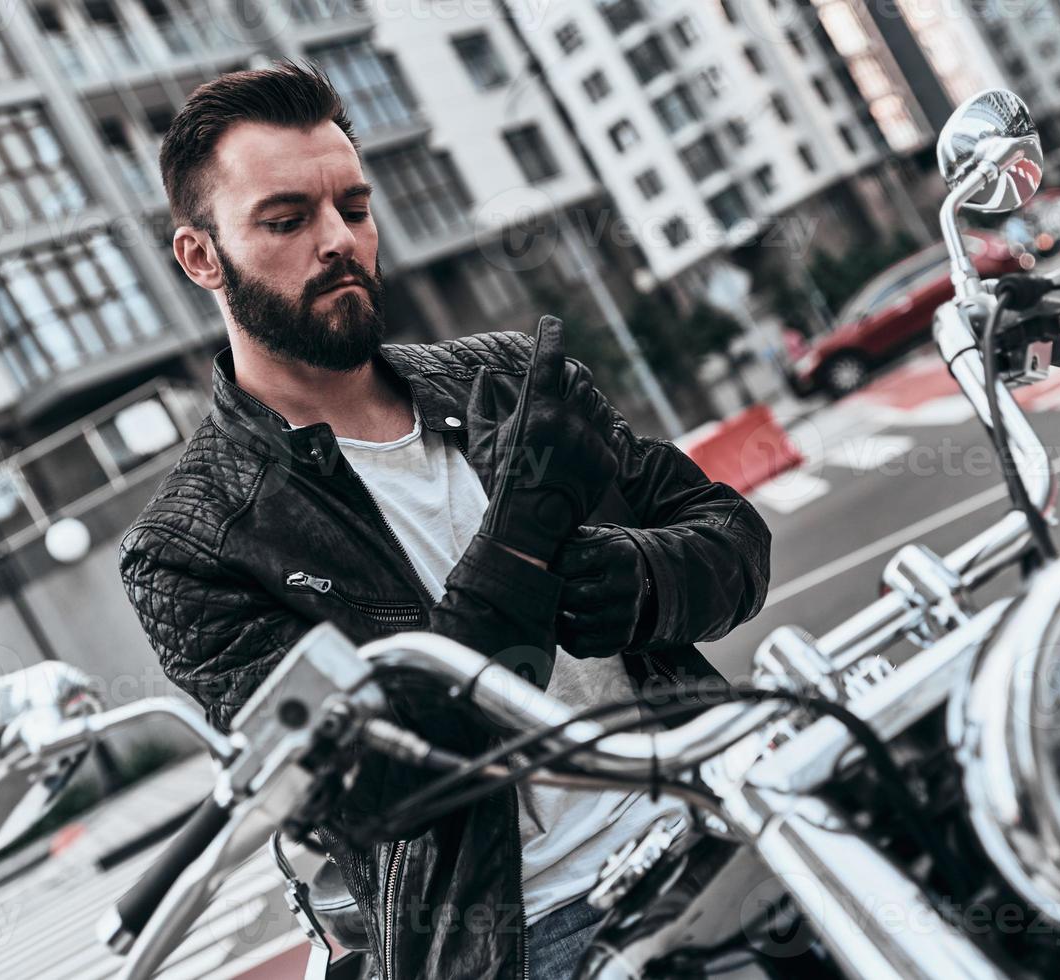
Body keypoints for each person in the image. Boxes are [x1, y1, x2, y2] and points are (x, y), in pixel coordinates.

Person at [118, 60, 772, 980]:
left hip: (724, 800)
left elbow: (734, 536)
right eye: (286, 219)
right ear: (201, 256)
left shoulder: (506, 377)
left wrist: (647, 580)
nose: (338, 240)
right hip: (531, 933)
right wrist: (522, 540)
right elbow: (387, 783)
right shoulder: (193, 549)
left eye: (353, 206)